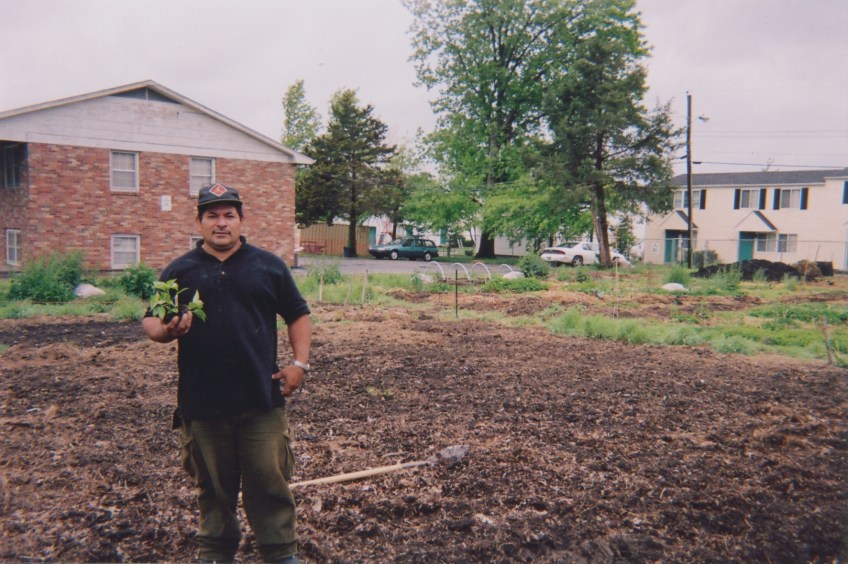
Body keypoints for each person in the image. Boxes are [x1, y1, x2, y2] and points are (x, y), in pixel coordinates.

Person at [142, 183, 311, 563]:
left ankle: (281, 554)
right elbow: (151, 321)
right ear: (200, 222)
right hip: (203, 404)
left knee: (270, 484)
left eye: (228, 215)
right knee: (214, 492)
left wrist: (298, 364)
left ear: (240, 220)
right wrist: (167, 331)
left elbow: (298, 314)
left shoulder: (268, 265)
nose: (221, 223)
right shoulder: (178, 271)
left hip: (261, 401)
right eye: (212, 215)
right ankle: (215, 554)